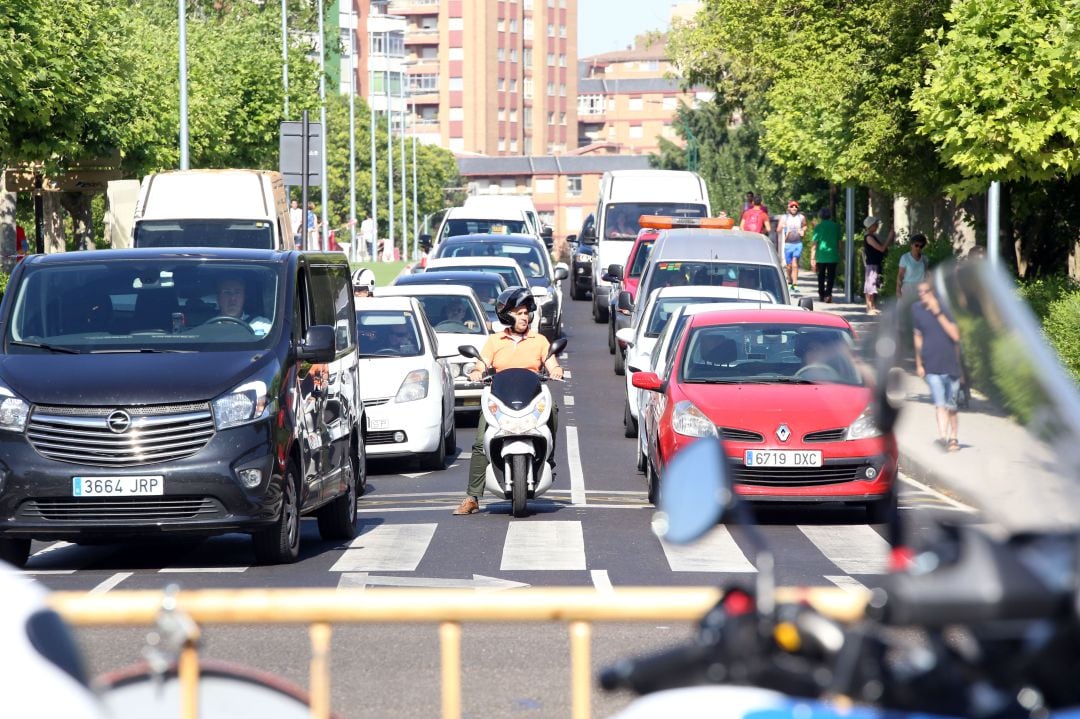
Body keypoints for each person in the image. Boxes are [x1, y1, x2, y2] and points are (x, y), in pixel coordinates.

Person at [453, 288, 564, 516]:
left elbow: (552, 364)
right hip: (499, 398)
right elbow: (481, 364)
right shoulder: (495, 341)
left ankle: (548, 456)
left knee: (552, 408)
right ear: (506, 315)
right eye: (519, 312)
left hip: (533, 397)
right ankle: (472, 497)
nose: (524, 317)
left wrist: (556, 371)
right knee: (481, 441)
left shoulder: (539, 340)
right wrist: (476, 371)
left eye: (526, 312)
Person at [911, 279, 962, 452]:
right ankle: (942, 437)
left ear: (932, 291)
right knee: (940, 404)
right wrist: (919, 363)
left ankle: (953, 437)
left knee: (951, 407)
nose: (921, 295)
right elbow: (917, 336)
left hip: (950, 366)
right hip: (931, 366)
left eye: (924, 291)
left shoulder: (946, 308)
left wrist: (938, 313)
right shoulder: (917, 309)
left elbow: (955, 336)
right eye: (919, 292)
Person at [862, 216, 895, 315]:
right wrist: (889, 238)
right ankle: (870, 307)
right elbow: (881, 249)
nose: (876, 226)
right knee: (870, 286)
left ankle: (872, 307)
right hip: (872, 264)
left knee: (873, 285)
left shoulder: (872, 236)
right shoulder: (869, 237)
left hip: (875, 263)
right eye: (875, 225)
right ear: (871, 226)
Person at [810, 207, 843, 303]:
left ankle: (821, 294)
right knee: (831, 276)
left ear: (820, 216)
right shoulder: (836, 226)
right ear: (830, 216)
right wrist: (840, 252)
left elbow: (815, 243)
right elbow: (839, 241)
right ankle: (828, 294)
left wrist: (812, 257)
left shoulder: (818, 227)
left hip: (821, 256)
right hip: (833, 255)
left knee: (821, 276)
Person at [776, 200, 807, 292]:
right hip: (788, 244)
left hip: (798, 243)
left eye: (796, 207)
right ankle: (789, 282)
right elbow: (778, 230)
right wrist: (783, 227)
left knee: (795, 263)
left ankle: (795, 284)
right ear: (788, 208)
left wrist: (802, 230)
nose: (794, 208)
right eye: (792, 206)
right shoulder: (784, 218)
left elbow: (805, 226)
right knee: (789, 266)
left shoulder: (801, 217)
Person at [896, 233, 929, 298]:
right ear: (911, 245)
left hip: (921, 288)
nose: (918, 248)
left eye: (921, 246)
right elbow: (900, 275)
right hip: (908, 288)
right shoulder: (905, 258)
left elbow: (927, 274)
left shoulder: (925, 259)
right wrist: (898, 290)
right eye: (916, 245)